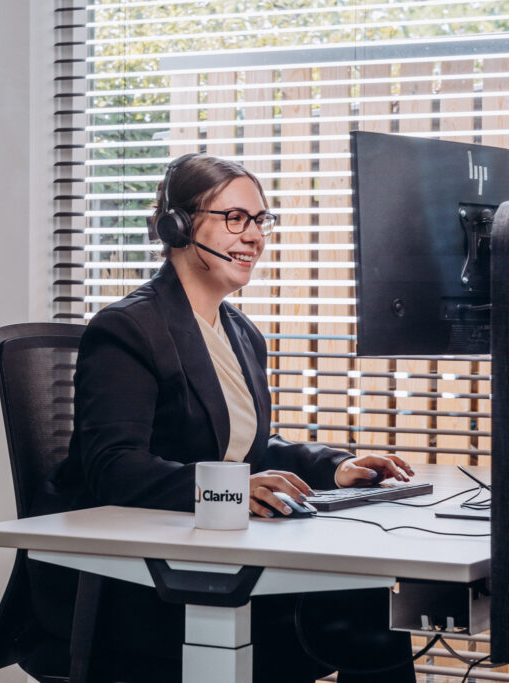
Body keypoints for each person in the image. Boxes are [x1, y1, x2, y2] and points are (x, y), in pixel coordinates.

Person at [42, 153, 418, 682]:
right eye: (234, 218)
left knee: (368, 597)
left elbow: (248, 447)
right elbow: (114, 467)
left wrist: (335, 466)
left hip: (217, 553)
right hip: (148, 584)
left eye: (260, 220)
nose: (254, 236)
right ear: (177, 226)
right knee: (352, 601)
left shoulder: (239, 332)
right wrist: (231, 489)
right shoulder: (127, 329)